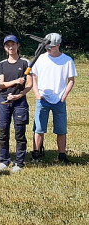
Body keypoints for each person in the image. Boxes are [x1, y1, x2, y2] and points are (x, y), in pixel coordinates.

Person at [30, 33, 76, 164]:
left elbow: (71, 80)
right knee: (38, 129)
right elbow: (34, 78)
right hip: (42, 99)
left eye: (50, 47)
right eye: (46, 47)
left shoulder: (67, 60)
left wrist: (64, 96)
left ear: (58, 45)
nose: (48, 49)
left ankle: (62, 156)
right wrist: (37, 94)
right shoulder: (40, 58)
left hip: (59, 100)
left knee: (61, 130)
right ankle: (36, 155)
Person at [0, 35, 32, 172]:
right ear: (5, 48)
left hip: (19, 102)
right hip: (4, 101)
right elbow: (1, 84)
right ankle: (4, 160)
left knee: (20, 132)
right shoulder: (2, 64)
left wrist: (20, 95)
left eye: (13, 44)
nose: (10, 47)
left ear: (18, 46)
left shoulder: (25, 63)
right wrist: (16, 82)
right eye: (7, 45)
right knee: (3, 131)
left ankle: (19, 162)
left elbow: (29, 84)